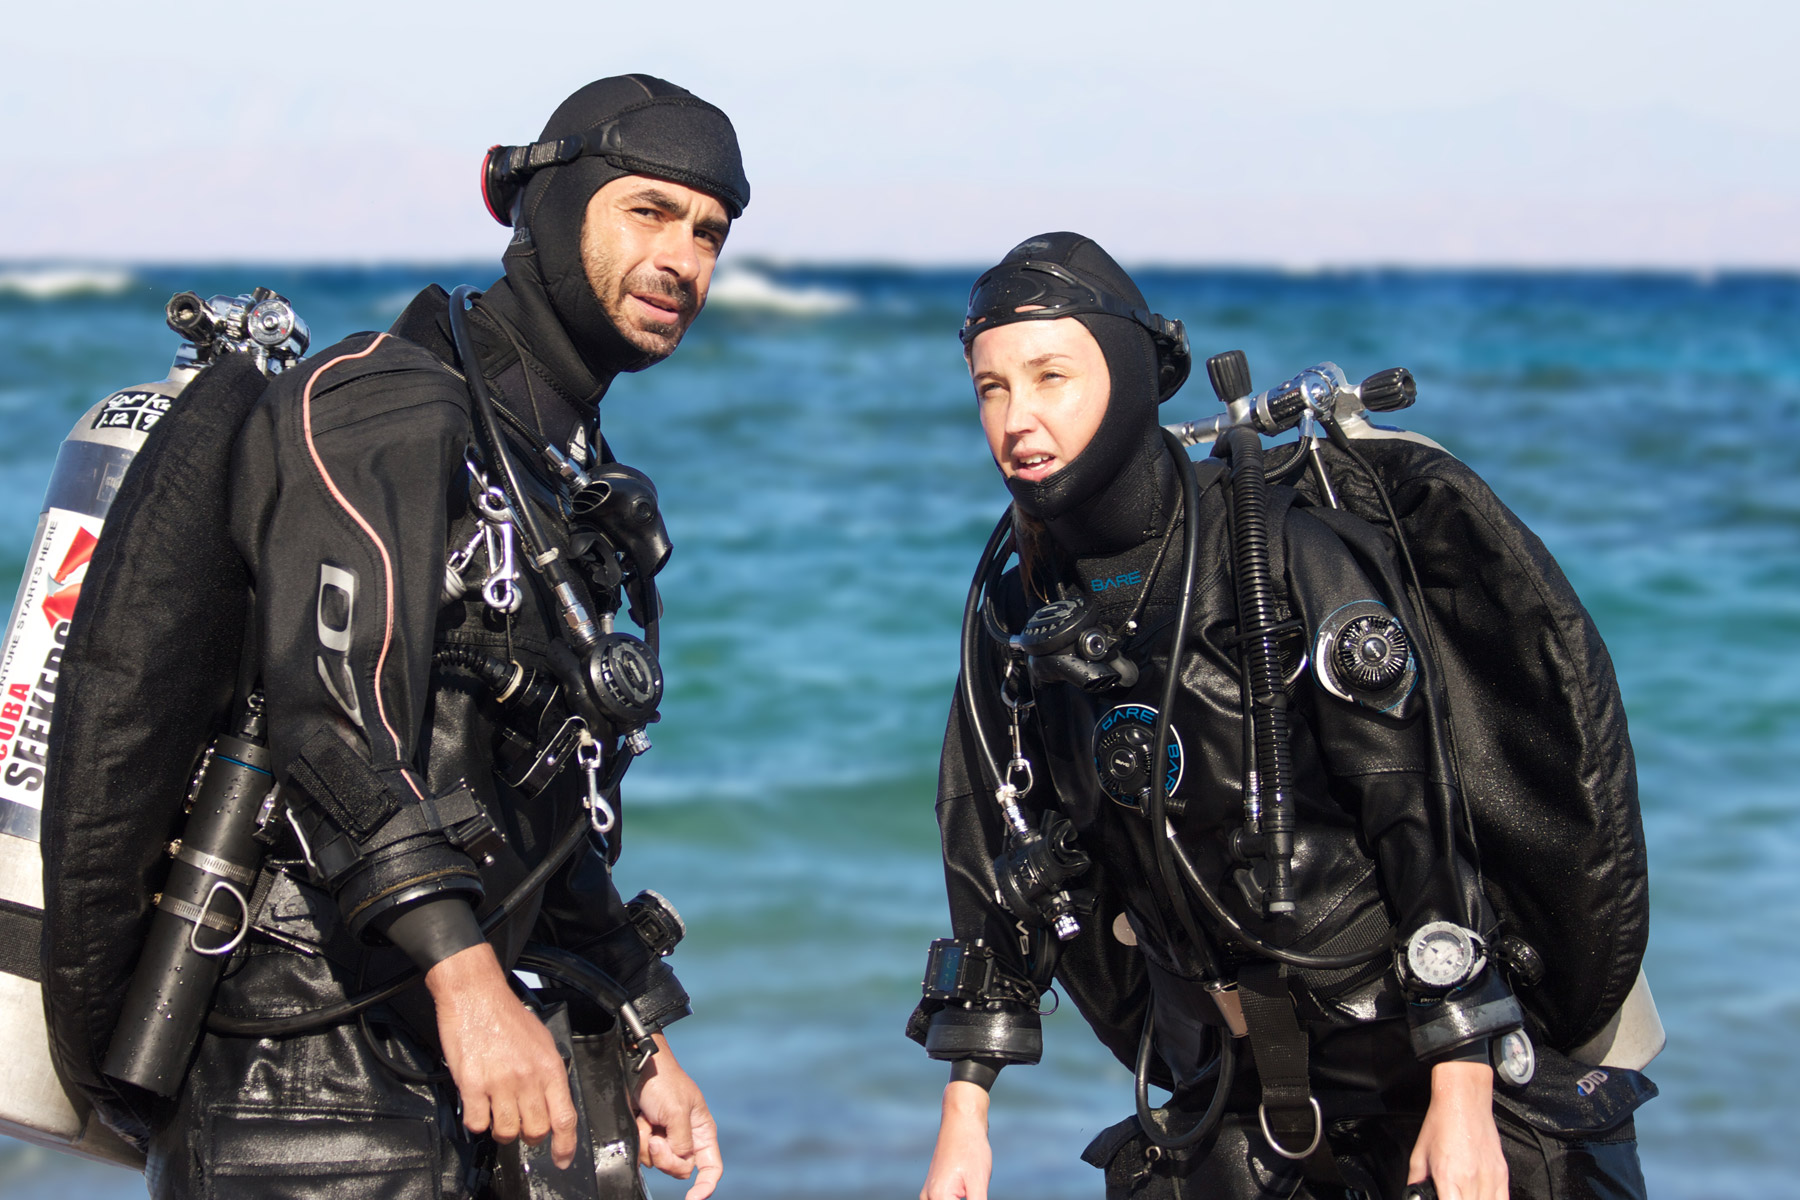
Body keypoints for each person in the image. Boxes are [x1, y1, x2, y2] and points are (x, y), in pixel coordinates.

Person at [910, 233, 1654, 1200]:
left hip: (1419, 1074)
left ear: (1135, 378)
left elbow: (1421, 821)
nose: (1017, 418)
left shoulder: (1283, 556)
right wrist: (965, 1117)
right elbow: (992, 853)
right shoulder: (1014, 607)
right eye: (991, 388)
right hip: (1240, 1090)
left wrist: (1463, 1089)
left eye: (1052, 375)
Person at [141, 75, 749, 1199]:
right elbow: (331, 714)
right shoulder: (394, 403)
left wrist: (637, 1032)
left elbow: (544, 794)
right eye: (648, 211)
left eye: (710, 231)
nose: (684, 259)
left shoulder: (561, 478)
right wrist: (471, 986)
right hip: (304, 1078)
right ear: (550, 207)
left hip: (456, 1056)